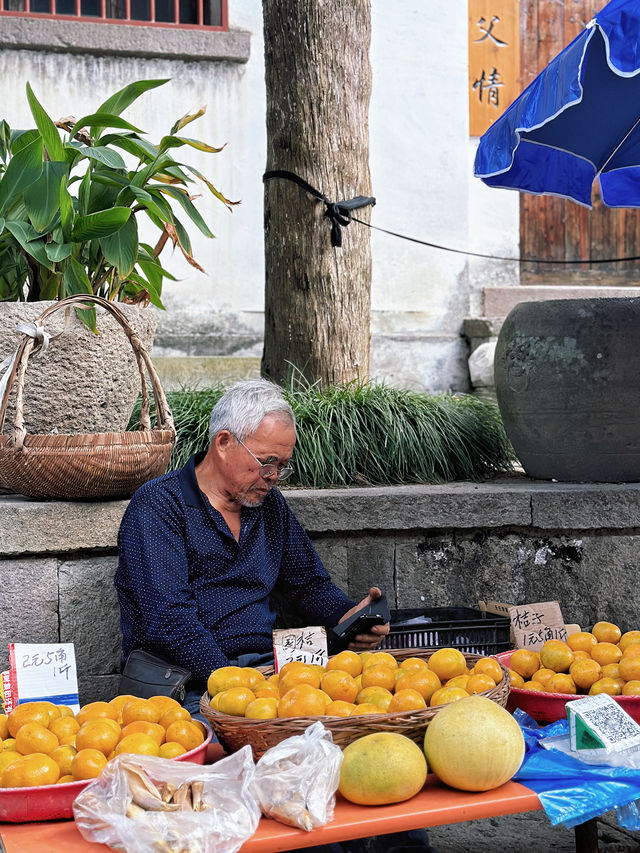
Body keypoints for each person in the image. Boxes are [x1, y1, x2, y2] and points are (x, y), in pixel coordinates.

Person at [115, 378, 390, 714]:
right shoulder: (160, 505)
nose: (273, 475)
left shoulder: (269, 505)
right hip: (183, 682)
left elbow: (308, 585)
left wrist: (352, 618)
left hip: (266, 671)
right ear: (224, 442)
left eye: (282, 466)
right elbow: (170, 621)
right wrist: (240, 686)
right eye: (266, 461)